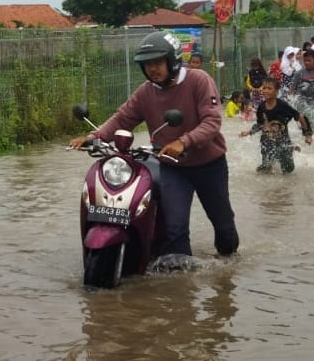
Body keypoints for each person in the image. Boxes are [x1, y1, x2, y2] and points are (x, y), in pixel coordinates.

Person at [68, 31, 239, 257]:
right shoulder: (146, 92)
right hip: (172, 167)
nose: (152, 69)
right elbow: (122, 118)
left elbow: (212, 121)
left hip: (209, 165)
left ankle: (227, 274)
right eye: (147, 64)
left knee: (224, 227)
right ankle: (181, 280)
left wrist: (183, 141)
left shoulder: (199, 80)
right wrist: (95, 137)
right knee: (175, 228)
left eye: (158, 62)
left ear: (173, 60)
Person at [239, 77, 313, 174]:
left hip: (283, 141)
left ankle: (290, 148)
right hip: (267, 141)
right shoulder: (261, 107)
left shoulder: (283, 106)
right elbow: (260, 124)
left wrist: (307, 134)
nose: (265, 91)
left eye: (269, 88)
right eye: (264, 88)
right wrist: (249, 132)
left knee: (288, 170)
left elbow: (300, 117)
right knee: (265, 169)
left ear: (277, 92)